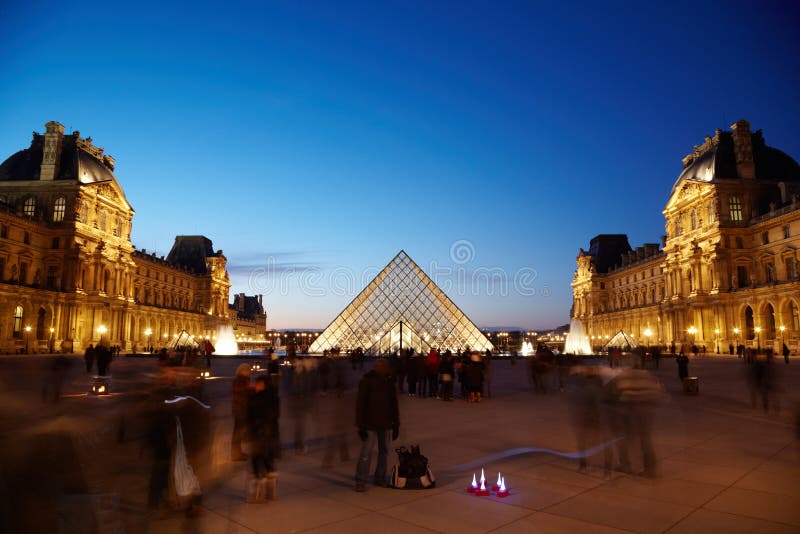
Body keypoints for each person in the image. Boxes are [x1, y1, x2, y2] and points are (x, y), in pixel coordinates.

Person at [354, 359, 399, 492]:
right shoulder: (367, 381)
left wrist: (396, 424)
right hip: (369, 423)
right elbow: (360, 403)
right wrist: (360, 425)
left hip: (385, 423)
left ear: (386, 368)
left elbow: (394, 404)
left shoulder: (389, 381)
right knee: (366, 452)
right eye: (378, 366)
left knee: (383, 452)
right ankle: (360, 480)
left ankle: (380, 478)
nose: (380, 368)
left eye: (383, 366)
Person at [245, 375, 280, 502]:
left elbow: (268, 416)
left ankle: (264, 490)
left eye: (259, 384)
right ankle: (262, 491)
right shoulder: (264, 397)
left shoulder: (264, 398)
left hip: (264, 435)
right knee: (261, 462)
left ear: (264, 384)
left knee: (262, 462)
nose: (256, 385)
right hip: (262, 435)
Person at [231, 364, 251, 461]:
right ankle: (235, 454)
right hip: (240, 410)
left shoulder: (244, 380)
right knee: (238, 433)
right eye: (247, 370)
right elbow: (238, 391)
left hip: (242, 409)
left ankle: (237, 452)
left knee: (239, 432)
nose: (249, 372)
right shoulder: (240, 380)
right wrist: (248, 388)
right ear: (242, 371)